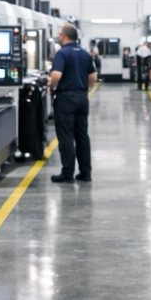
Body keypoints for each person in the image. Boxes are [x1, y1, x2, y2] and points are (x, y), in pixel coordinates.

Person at [48, 23, 96, 182]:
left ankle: (67, 173)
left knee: (66, 136)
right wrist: (83, 90)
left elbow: (56, 76)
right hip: (82, 98)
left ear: (63, 36)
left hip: (65, 99)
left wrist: (51, 88)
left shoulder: (62, 54)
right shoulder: (84, 54)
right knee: (82, 135)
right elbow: (93, 77)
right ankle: (85, 172)